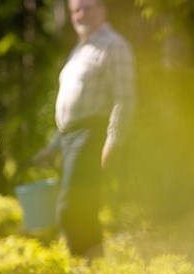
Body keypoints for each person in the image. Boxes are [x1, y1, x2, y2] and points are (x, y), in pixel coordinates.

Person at [34, 0, 135, 259]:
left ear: (102, 10)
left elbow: (125, 99)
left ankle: (83, 267)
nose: (81, 14)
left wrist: (114, 141)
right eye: (76, 10)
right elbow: (72, 111)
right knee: (85, 208)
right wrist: (53, 147)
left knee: (71, 208)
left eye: (87, 8)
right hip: (70, 137)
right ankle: (94, 272)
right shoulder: (80, 50)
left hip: (92, 135)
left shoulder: (114, 45)